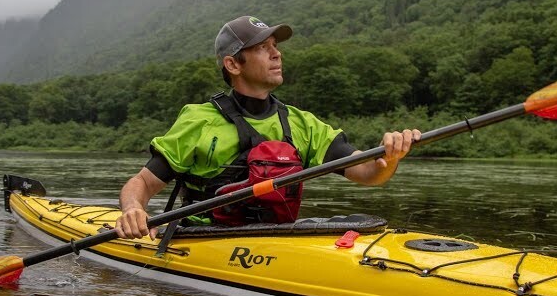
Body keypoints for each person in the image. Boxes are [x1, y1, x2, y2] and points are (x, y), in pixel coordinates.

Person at [115, 15, 422, 240]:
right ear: (233, 65)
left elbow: (369, 172)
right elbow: (141, 182)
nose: (277, 53)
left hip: (275, 239)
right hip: (202, 239)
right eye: (263, 48)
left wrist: (391, 156)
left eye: (275, 45)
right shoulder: (199, 120)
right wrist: (133, 210)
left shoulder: (301, 124)